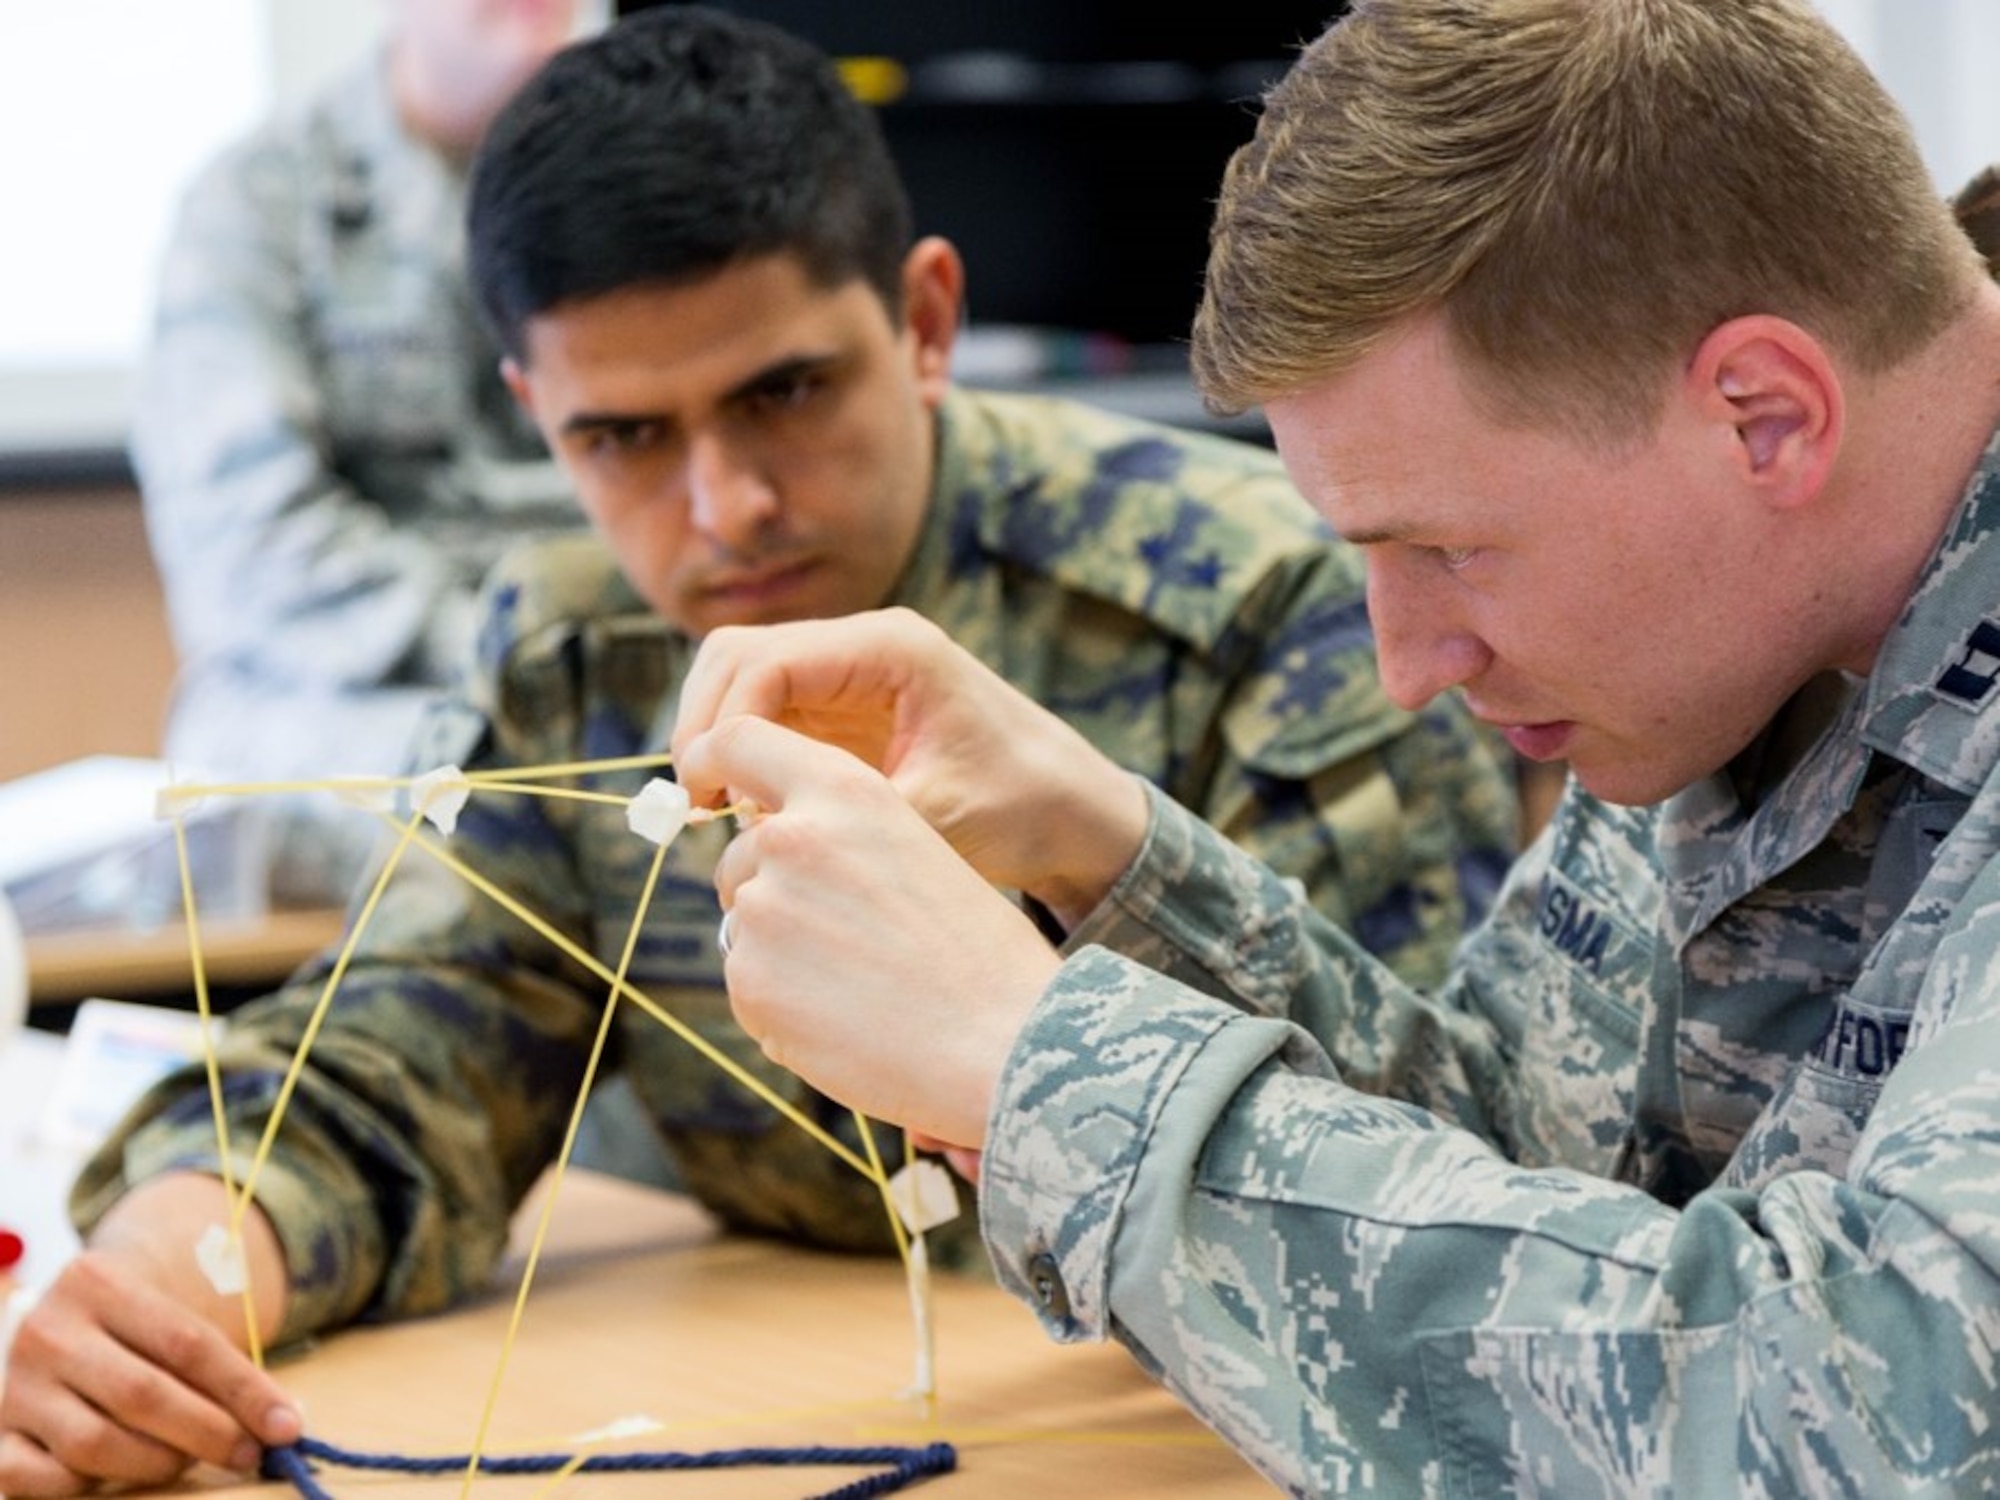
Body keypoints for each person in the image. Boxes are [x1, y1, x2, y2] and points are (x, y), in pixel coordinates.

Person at [0, 8, 1522, 1494]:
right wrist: (155, 1294)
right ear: (535, 415)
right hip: (805, 1397)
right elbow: (389, 1072)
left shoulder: (1272, 598)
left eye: (781, 393)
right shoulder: (566, 651)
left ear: (924, 321)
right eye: (625, 438)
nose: (724, 506)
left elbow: (1435, 1161)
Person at [647, 0, 2000, 1493]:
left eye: (1448, 548)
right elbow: (1542, 1168)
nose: (1408, 664)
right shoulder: (1724, 633)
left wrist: (1042, 1071)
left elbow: (1884, 1418)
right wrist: (1104, 856)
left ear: (1762, 417)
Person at [132, 0, 599, 902]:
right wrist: (518, 652)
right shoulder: (258, 203)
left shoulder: (636, 178)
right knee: (498, 801)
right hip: (348, 689)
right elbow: (252, 547)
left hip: (609, 646)